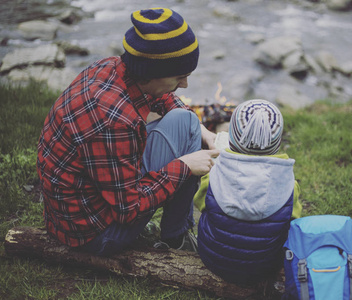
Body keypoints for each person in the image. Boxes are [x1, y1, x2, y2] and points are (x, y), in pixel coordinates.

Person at [36, 8, 219, 257]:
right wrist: (185, 165)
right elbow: (128, 208)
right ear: (152, 73)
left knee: (187, 121)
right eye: (180, 76)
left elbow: (165, 98)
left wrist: (201, 129)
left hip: (77, 207)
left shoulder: (112, 66)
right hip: (95, 233)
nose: (185, 84)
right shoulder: (114, 121)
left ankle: (176, 232)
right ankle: (175, 238)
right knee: (187, 153)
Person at [194, 99, 302, 285]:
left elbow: (200, 202)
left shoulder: (215, 173)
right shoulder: (288, 182)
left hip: (214, 260)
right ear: (277, 142)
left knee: (207, 209)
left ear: (232, 139)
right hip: (266, 267)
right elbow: (294, 219)